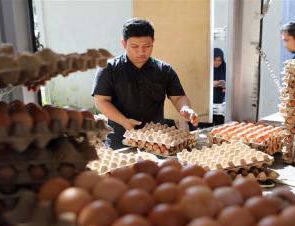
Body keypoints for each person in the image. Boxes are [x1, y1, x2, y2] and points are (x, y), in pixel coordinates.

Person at [92, 18, 199, 149]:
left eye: (147, 46)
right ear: (124, 44)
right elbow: (101, 101)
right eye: (135, 46)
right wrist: (124, 122)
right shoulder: (109, 68)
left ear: (153, 42)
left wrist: (185, 108)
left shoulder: (164, 70)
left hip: (157, 142)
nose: (141, 52)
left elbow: (178, 97)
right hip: (120, 139)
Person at [213, 48, 226, 125]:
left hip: (221, 103)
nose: (217, 62)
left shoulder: (224, 67)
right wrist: (219, 83)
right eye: (214, 60)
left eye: (219, 60)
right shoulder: (208, 68)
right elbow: (206, 84)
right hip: (210, 101)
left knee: (220, 125)